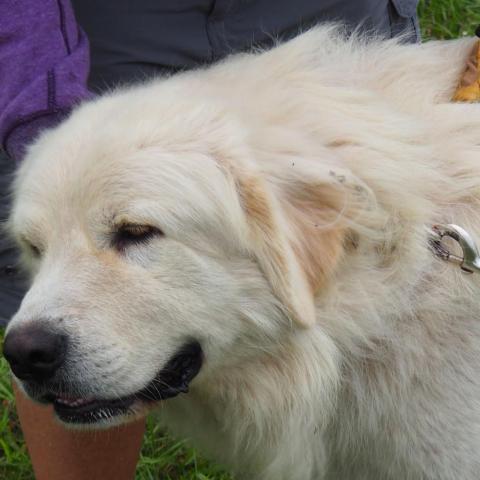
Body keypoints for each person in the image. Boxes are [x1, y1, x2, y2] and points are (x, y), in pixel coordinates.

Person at [0, 1, 420, 478]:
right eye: (37, 248)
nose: (26, 334)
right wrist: (44, 115)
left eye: (133, 233)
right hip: (97, 21)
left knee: (395, 302)